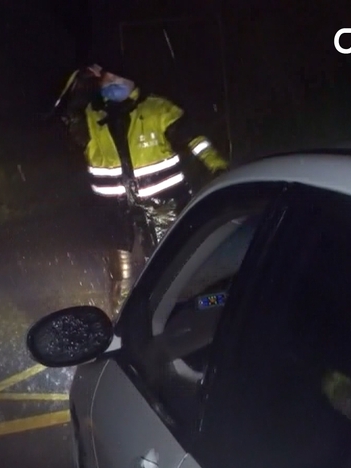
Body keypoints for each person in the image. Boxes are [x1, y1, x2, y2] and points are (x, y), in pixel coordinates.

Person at [58, 59, 229, 317]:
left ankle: (182, 316)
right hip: (114, 206)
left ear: (132, 81)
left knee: (171, 266)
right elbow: (69, 117)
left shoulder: (157, 109)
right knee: (120, 276)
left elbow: (194, 139)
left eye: (118, 79)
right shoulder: (91, 115)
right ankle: (121, 327)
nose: (112, 84)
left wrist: (217, 166)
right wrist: (80, 85)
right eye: (107, 79)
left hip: (162, 200)